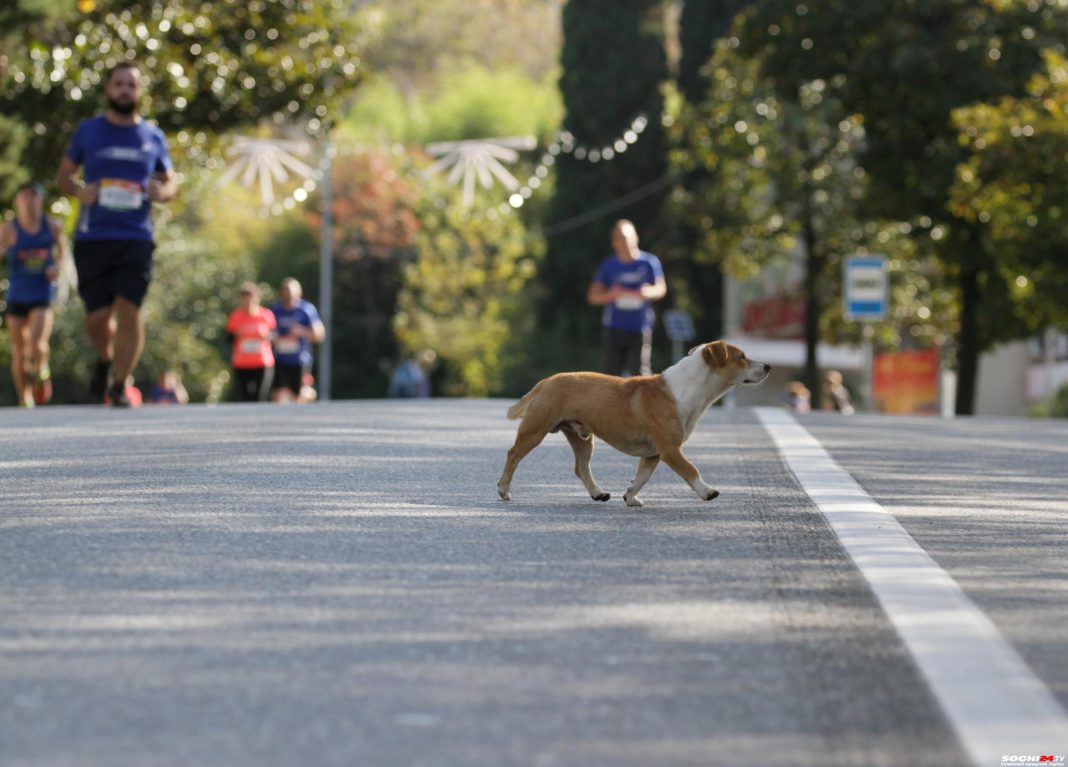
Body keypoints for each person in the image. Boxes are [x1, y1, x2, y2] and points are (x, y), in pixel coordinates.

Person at [55, 60, 177, 407]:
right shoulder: (88, 132)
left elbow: (170, 183)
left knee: (129, 308)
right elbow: (64, 176)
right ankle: (106, 359)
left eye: (132, 84)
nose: (125, 89)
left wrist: (162, 193)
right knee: (96, 318)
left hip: (136, 236)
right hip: (93, 236)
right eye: (119, 83)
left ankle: (121, 384)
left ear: (140, 92)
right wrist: (78, 191)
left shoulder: (152, 136)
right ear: (109, 89)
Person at [0, 181, 68, 407]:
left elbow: (62, 252)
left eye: (34, 196)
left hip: (41, 293)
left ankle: (41, 369)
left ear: (41, 201)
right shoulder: (8, 229)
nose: (30, 201)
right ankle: (25, 398)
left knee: (38, 343)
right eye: (25, 196)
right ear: (17, 201)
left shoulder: (52, 226)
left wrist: (57, 267)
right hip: (17, 295)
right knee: (19, 349)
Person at [586, 219, 666, 377]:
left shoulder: (649, 262)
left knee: (641, 375)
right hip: (614, 327)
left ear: (635, 237)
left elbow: (661, 288)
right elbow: (593, 296)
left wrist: (647, 292)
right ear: (613, 242)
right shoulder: (608, 265)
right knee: (611, 377)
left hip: (640, 327)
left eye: (626, 237)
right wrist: (612, 294)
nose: (624, 242)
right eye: (619, 238)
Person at [268, 277, 325, 403]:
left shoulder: (306, 310)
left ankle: (309, 393)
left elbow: (319, 334)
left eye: (291, 291)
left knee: (299, 396)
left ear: (299, 292)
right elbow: (267, 332)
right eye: (285, 290)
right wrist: (273, 337)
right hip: (280, 359)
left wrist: (302, 331)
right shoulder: (275, 310)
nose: (288, 294)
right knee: (277, 395)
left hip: (300, 360)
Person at [225, 282, 275, 402]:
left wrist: (266, 335)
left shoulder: (266, 315)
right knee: (245, 397)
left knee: (259, 397)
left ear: (256, 298)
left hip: (262, 362)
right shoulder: (235, 317)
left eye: (251, 299)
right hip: (241, 363)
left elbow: (274, 336)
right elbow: (228, 339)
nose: (248, 303)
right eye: (244, 299)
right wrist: (237, 335)